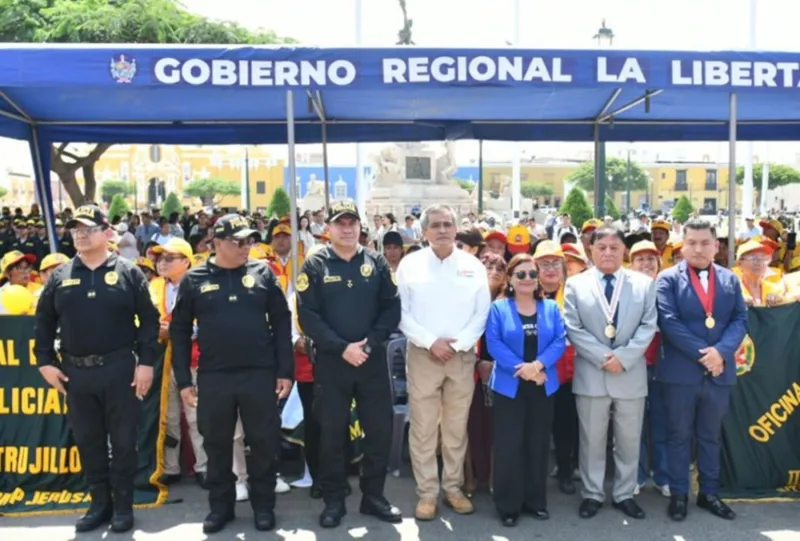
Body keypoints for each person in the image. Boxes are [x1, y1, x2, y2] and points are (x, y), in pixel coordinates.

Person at [34, 204, 160, 533]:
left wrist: (145, 362)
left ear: (107, 233)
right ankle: (99, 504)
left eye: (88, 229)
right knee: (88, 441)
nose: (81, 235)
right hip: (76, 373)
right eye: (76, 230)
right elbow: (43, 321)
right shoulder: (60, 275)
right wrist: (45, 362)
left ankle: (122, 506)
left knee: (122, 442)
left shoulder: (128, 272)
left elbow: (149, 320)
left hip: (119, 369)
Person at [170, 214, 294, 534]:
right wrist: (184, 380)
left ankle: (264, 505)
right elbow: (180, 332)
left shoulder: (262, 273)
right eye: (239, 241)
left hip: (259, 374)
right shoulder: (194, 278)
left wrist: (285, 371)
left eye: (249, 241)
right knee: (217, 444)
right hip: (214, 376)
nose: (245, 247)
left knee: (264, 443)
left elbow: (282, 323)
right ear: (217, 243)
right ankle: (220, 506)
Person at [297, 201, 402, 528]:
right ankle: (333, 500)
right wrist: (342, 348)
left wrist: (368, 344)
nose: (346, 228)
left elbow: (391, 309)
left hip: (370, 361)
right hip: (332, 363)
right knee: (331, 434)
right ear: (328, 228)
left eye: (352, 222)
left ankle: (374, 497)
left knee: (378, 431)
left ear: (360, 226)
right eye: (340, 223)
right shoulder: (315, 265)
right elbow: (307, 317)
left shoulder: (377, 262)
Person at [396, 204, 491, 521]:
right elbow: (402, 314)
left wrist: (461, 343)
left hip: (461, 355)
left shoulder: (472, 265)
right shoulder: (410, 265)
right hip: (424, 354)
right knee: (423, 427)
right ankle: (427, 493)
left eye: (448, 224)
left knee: (455, 426)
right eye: (435, 225)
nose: (442, 230)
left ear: (456, 228)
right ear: (423, 232)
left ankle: (453, 487)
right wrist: (430, 342)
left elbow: (481, 312)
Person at [656, 218, 747, 522]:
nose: (698, 248)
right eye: (691, 242)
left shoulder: (730, 280)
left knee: (711, 436)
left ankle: (709, 493)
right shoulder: (667, 279)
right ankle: (680, 494)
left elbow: (739, 320)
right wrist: (704, 354)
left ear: (716, 246)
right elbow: (668, 323)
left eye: (704, 242)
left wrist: (720, 352)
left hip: (719, 372)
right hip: (681, 374)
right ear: (682, 246)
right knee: (678, 435)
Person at [563, 227, 657, 520]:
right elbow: (573, 327)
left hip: (630, 374)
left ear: (623, 251)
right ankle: (592, 493)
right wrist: (605, 358)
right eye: (601, 246)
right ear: (591, 250)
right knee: (591, 439)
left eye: (614, 247)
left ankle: (625, 493)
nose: (607, 252)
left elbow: (648, 325)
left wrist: (624, 357)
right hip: (592, 374)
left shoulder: (642, 284)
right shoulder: (576, 284)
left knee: (629, 440)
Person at [485, 253, 566, 527]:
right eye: (521, 274)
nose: (528, 279)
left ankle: (535, 501)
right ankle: (508, 504)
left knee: (538, 443)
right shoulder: (499, 308)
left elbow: (559, 340)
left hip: (543, 385)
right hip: (511, 385)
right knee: (509, 445)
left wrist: (539, 366)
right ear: (510, 278)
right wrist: (524, 369)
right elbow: (494, 344)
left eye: (532, 274)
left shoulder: (551, 308)